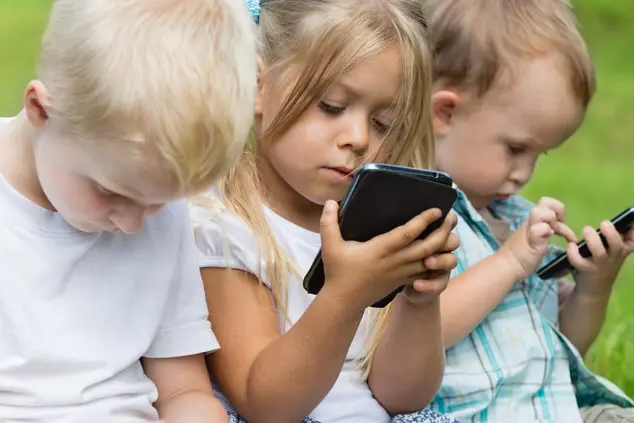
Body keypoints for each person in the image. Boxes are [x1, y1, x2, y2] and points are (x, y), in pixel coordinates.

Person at [0, 0, 257, 422]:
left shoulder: (158, 209)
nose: (132, 222)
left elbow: (182, 389)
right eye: (111, 192)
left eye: (159, 201)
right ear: (41, 110)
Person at [189, 1, 461, 423]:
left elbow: (402, 397)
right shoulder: (224, 226)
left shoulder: (373, 226)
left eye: (383, 123)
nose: (357, 138)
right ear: (257, 85)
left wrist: (419, 302)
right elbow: (265, 404)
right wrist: (345, 295)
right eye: (332, 106)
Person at [421, 0, 634, 422]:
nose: (524, 173)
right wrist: (508, 263)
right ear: (445, 112)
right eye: (515, 149)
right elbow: (419, 336)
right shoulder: (412, 216)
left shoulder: (514, 217)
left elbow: (563, 349)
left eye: (540, 154)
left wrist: (594, 286)